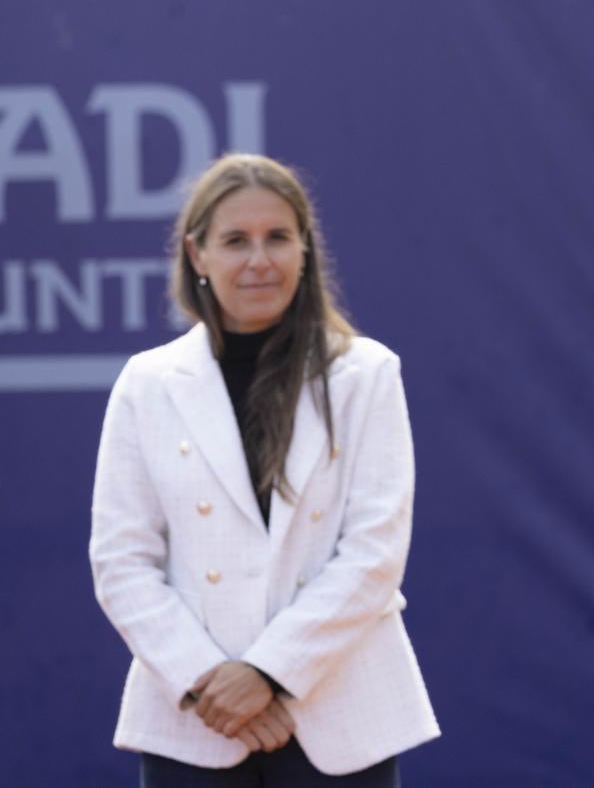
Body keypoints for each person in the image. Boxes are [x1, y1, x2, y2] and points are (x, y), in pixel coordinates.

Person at [89, 153, 439, 786]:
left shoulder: (366, 375)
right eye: (235, 241)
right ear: (197, 255)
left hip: (340, 717)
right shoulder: (148, 383)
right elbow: (121, 560)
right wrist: (211, 683)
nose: (259, 260)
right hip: (195, 724)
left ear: (304, 251)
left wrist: (270, 674)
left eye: (278, 237)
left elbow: (375, 551)